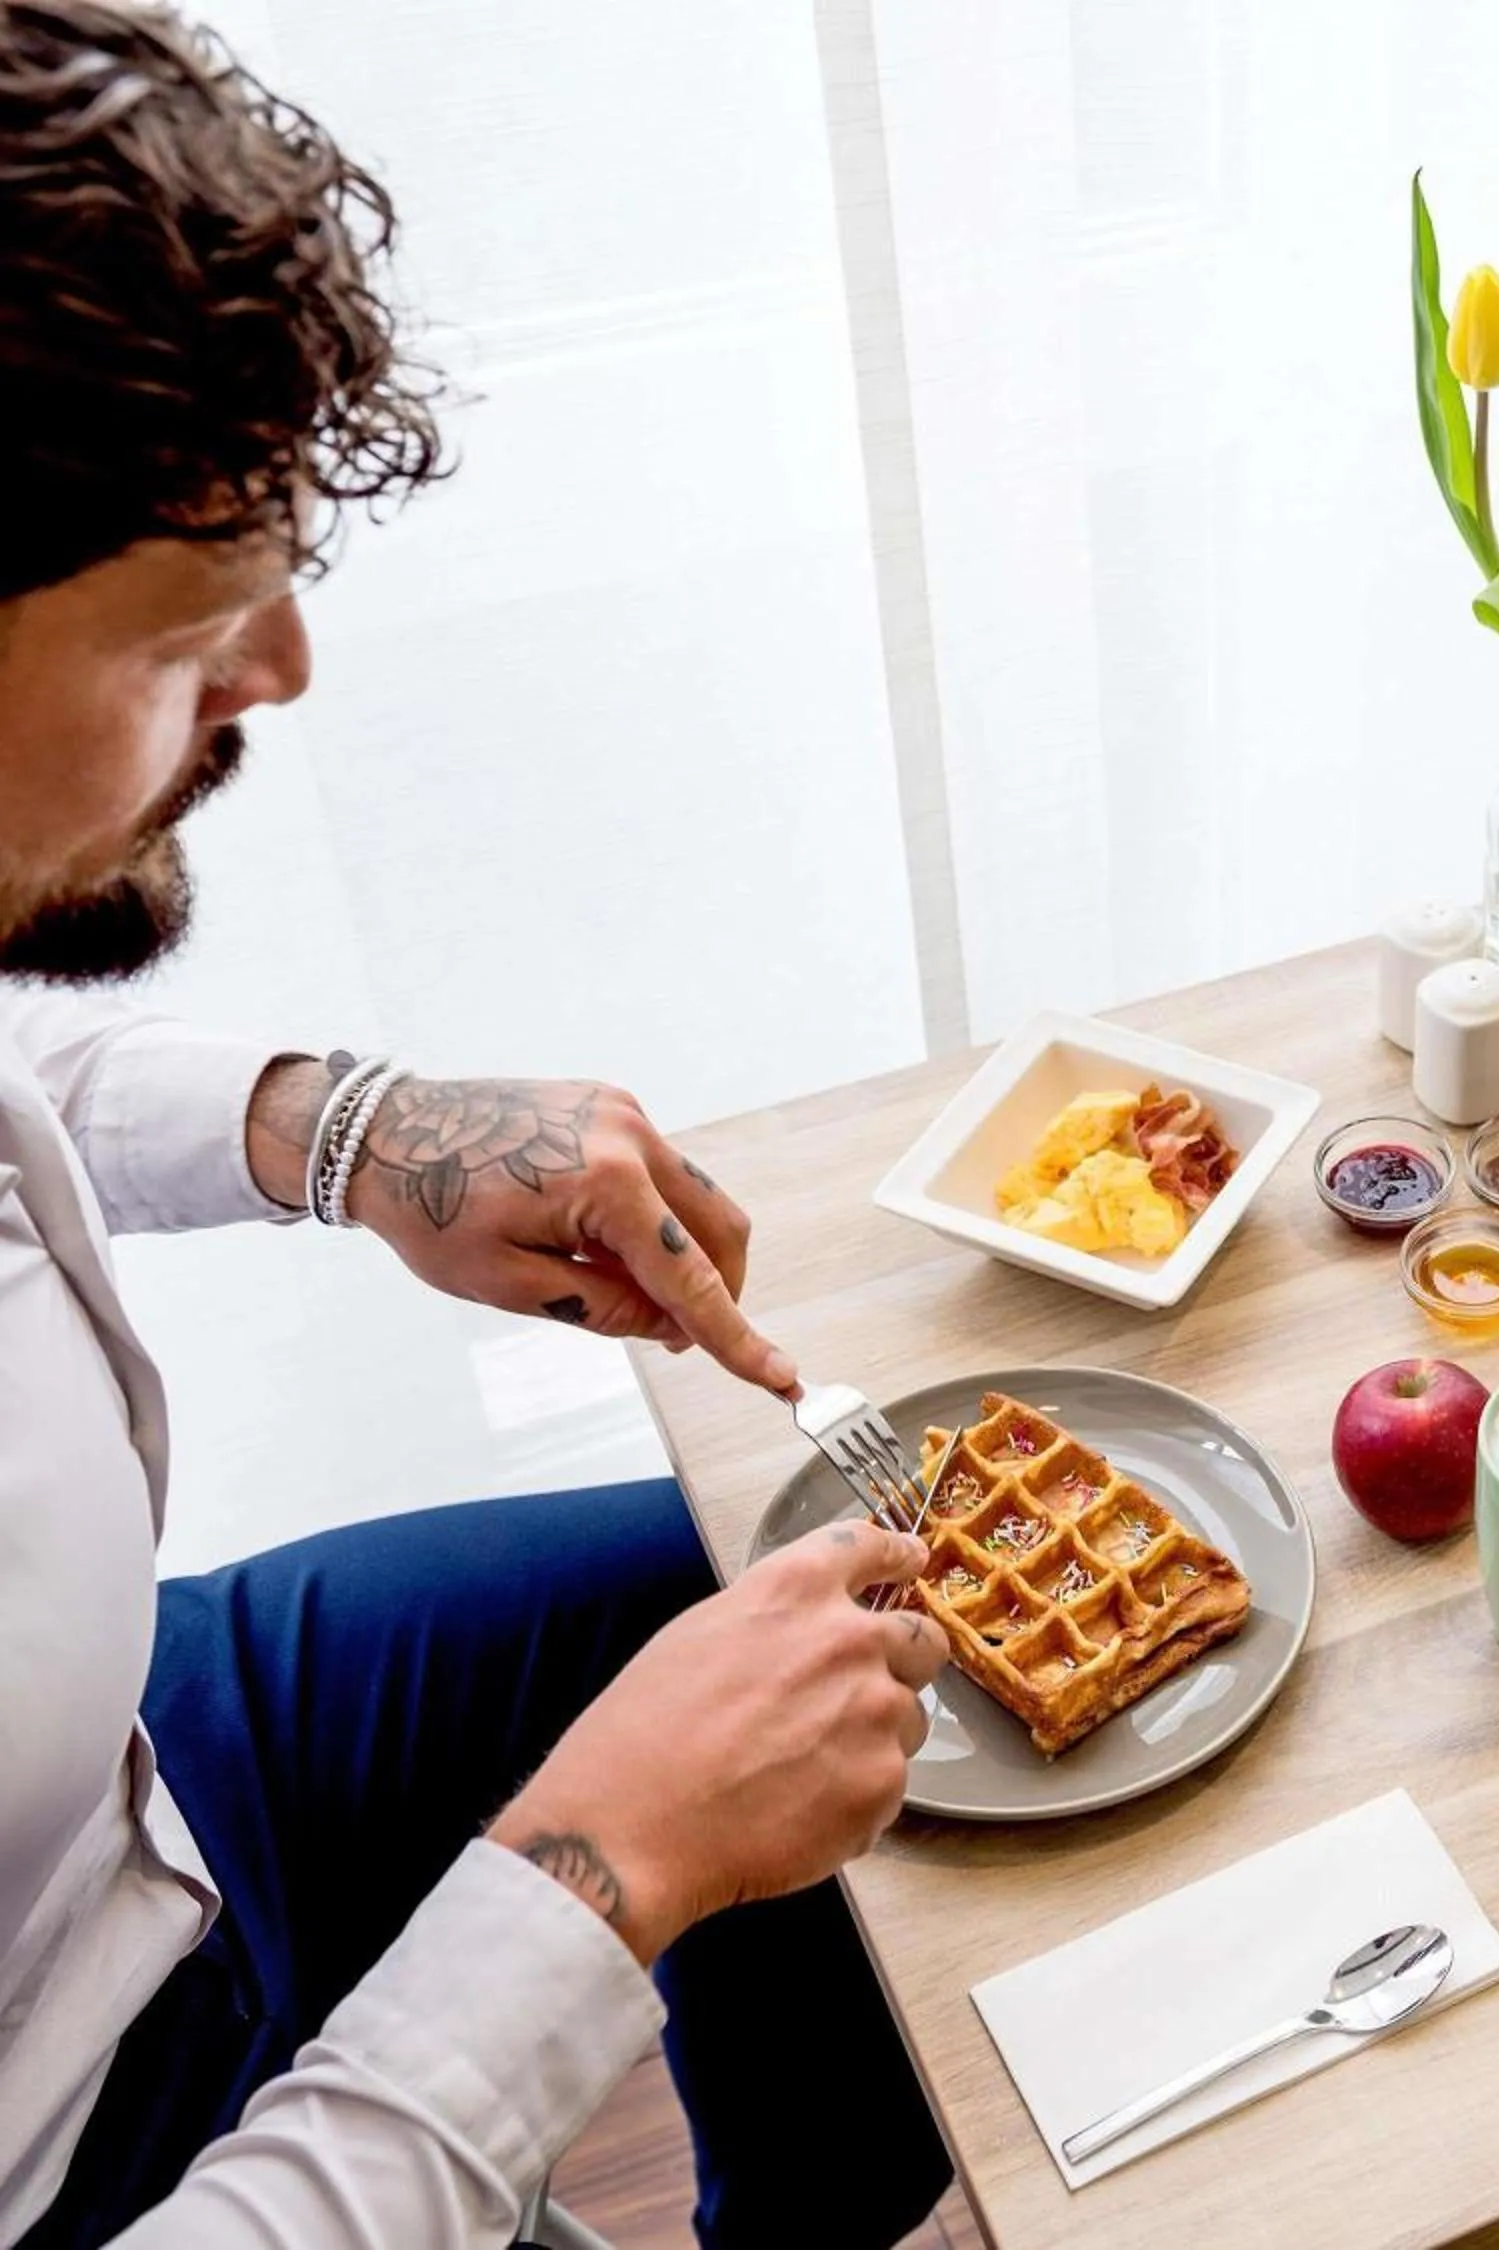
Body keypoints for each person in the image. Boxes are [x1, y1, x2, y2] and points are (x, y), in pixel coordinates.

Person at [0, 6, 955, 2243]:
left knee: (796, 1616)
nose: (284, 669)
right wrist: (593, 1881)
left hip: (126, 1788)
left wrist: (346, 1131)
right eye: (183, 629)